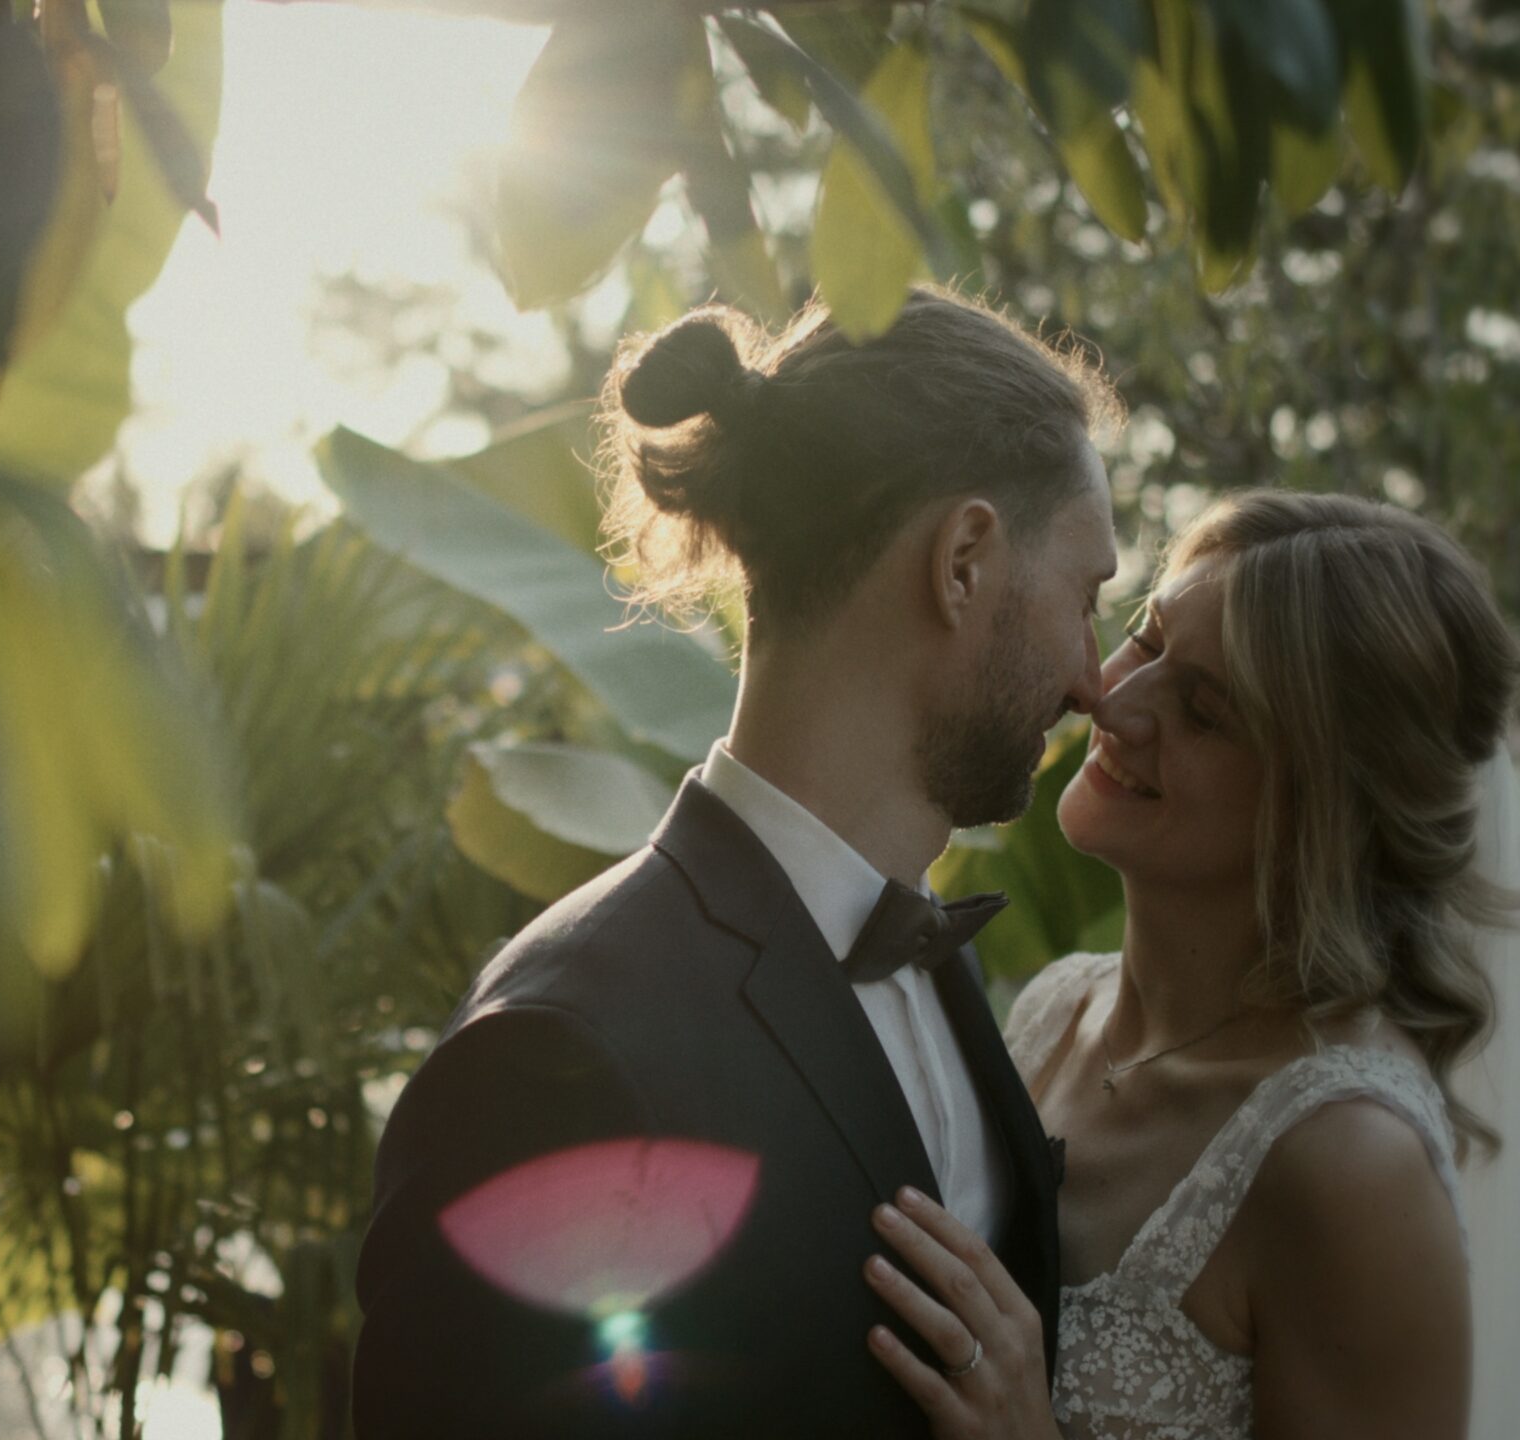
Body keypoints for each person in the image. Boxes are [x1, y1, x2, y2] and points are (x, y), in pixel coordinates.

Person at [349, 286, 1124, 1438]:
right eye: (1085, 594)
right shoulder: (559, 1054)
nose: (1093, 677)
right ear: (963, 561)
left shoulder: (946, 976)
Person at [862, 491, 1520, 1439]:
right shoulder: (1055, 1013)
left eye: (1206, 711)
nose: (1114, 700)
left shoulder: (1348, 1166)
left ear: (1325, 805)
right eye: (1145, 638)